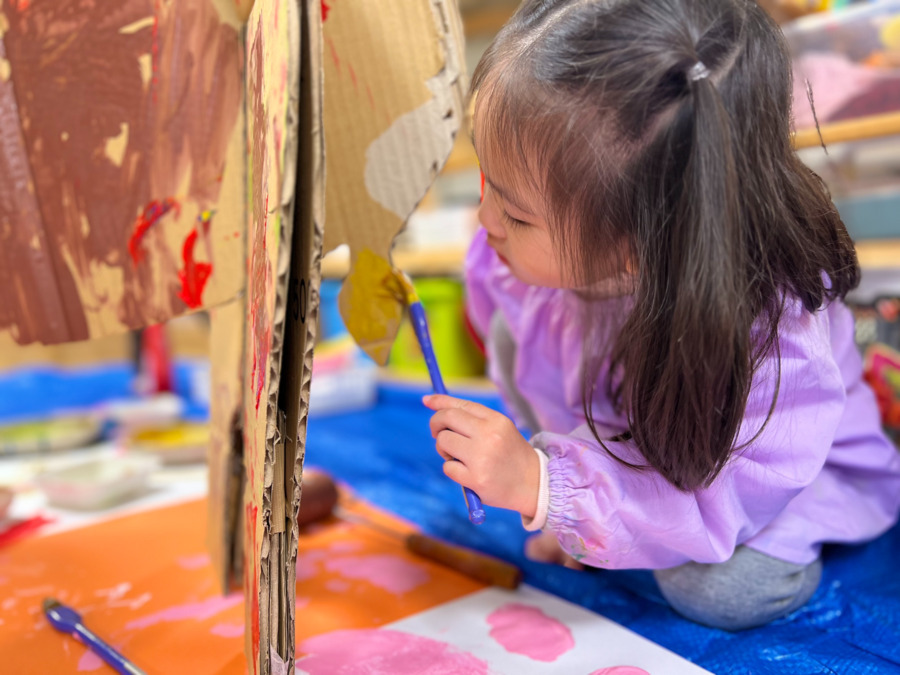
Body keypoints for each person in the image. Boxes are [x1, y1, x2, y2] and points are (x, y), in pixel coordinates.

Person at [424, 0, 900, 631]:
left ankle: (631, 524)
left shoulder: (770, 338)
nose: (486, 226)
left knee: (722, 589)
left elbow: (726, 499)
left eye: (515, 215)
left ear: (638, 245)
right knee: (520, 338)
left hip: (762, 488)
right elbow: (553, 392)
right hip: (644, 452)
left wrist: (547, 488)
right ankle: (621, 520)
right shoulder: (523, 261)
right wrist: (563, 497)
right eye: (488, 186)